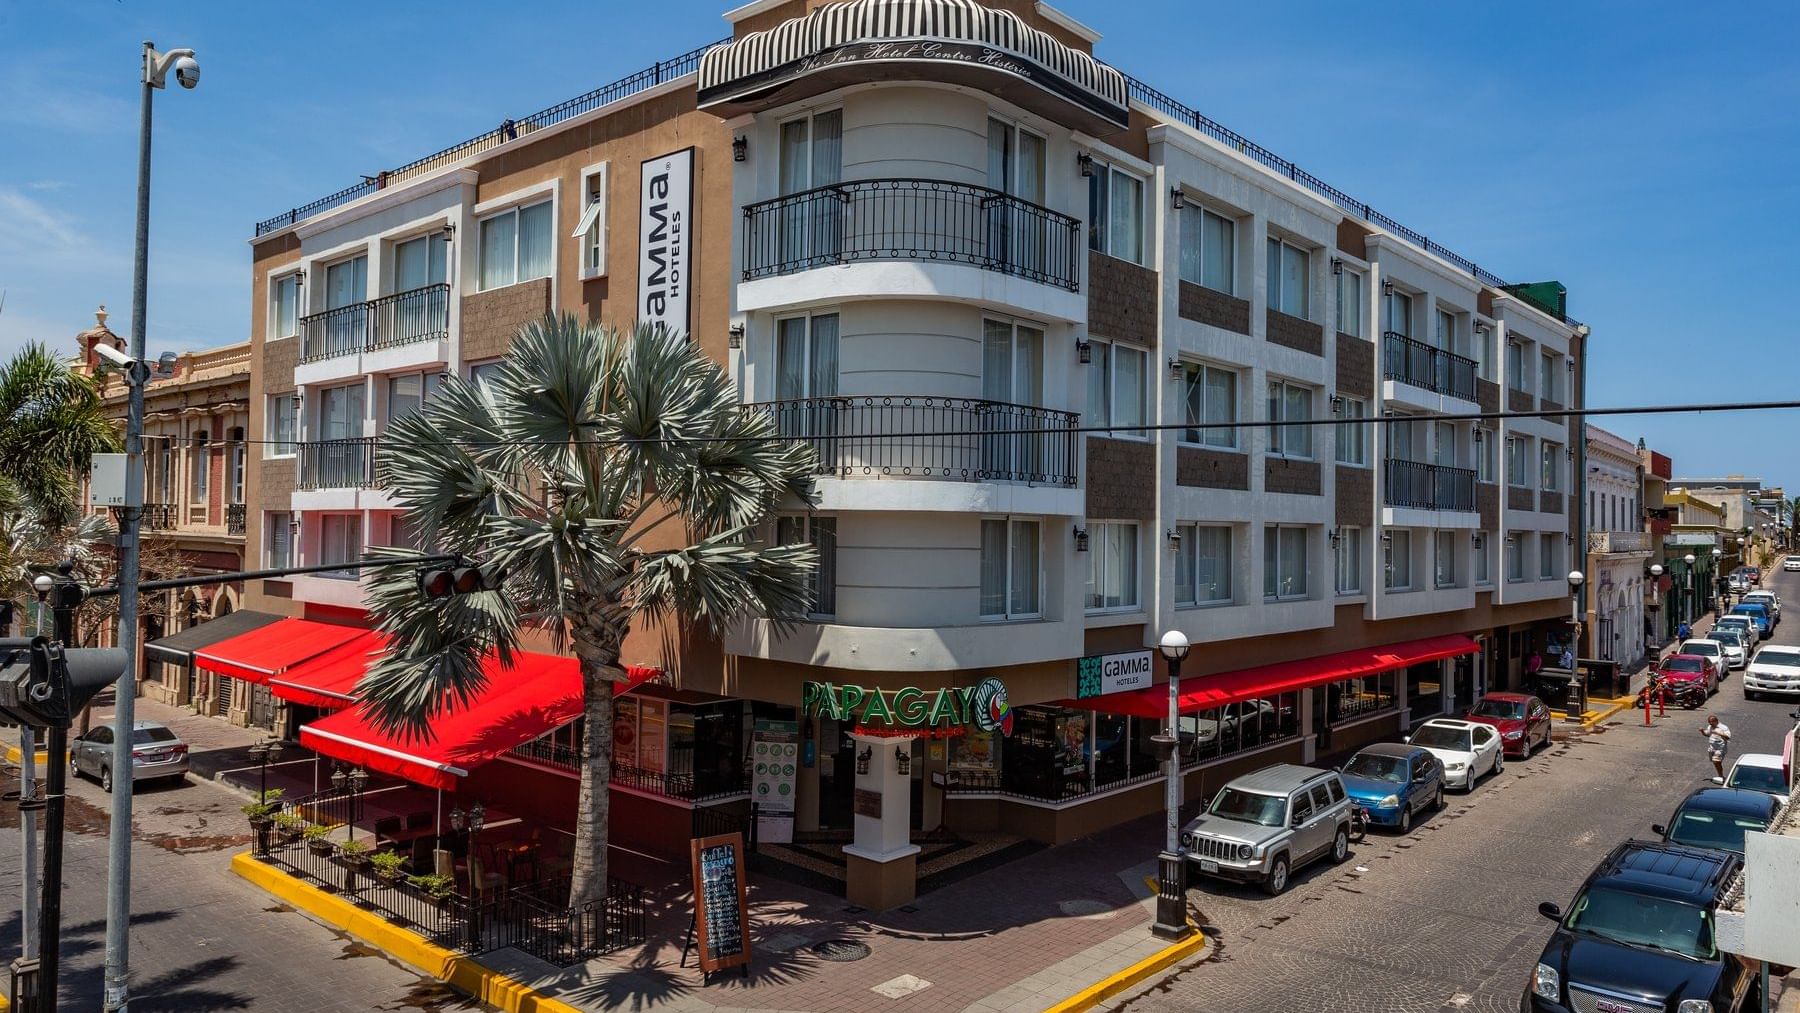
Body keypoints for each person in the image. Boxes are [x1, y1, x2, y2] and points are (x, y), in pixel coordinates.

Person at [1701, 715, 1731, 783]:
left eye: (1711, 722)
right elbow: (1708, 734)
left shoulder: (1723, 728)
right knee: (1716, 763)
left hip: (1720, 748)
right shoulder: (1710, 726)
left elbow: (1728, 737)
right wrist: (1702, 731)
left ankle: (1721, 776)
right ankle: (1720, 775)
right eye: (1709, 722)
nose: (1710, 724)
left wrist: (1719, 733)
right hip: (1712, 748)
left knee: (1716, 761)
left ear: (1716, 721)